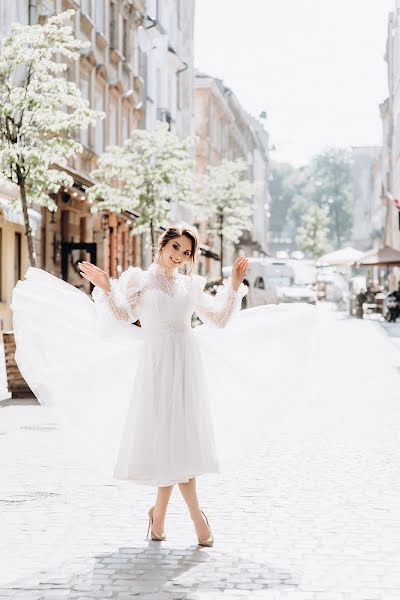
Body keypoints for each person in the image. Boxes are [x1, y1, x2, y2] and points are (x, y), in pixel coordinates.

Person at [11, 223, 316, 548]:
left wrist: (234, 286)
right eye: (176, 249)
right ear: (163, 245)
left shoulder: (190, 284)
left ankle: (160, 517)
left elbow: (219, 319)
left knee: (179, 441)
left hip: (186, 364)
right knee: (168, 441)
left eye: (186, 253)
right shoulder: (139, 280)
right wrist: (106, 287)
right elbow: (122, 316)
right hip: (156, 365)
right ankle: (194, 517)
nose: (180, 257)